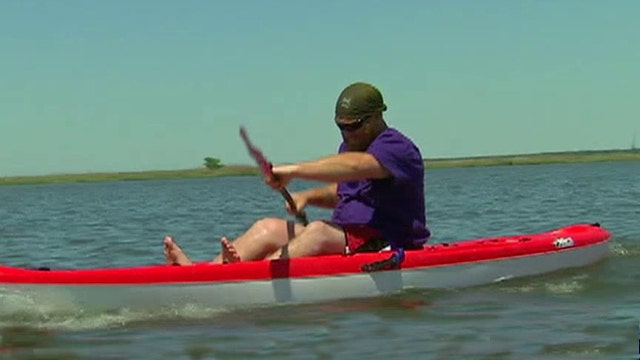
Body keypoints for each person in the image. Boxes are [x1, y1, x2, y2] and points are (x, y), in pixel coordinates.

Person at [164, 82, 430, 266]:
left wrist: (293, 170)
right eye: (341, 127)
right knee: (266, 227)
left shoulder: (397, 148)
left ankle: (245, 276)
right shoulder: (350, 146)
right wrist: (307, 197)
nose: (347, 134)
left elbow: (357, 166)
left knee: (318, 231)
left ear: (375, 118)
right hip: (348, 238)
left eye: (354, 126)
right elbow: (345, 193)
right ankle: (204, 272)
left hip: (386, 243)